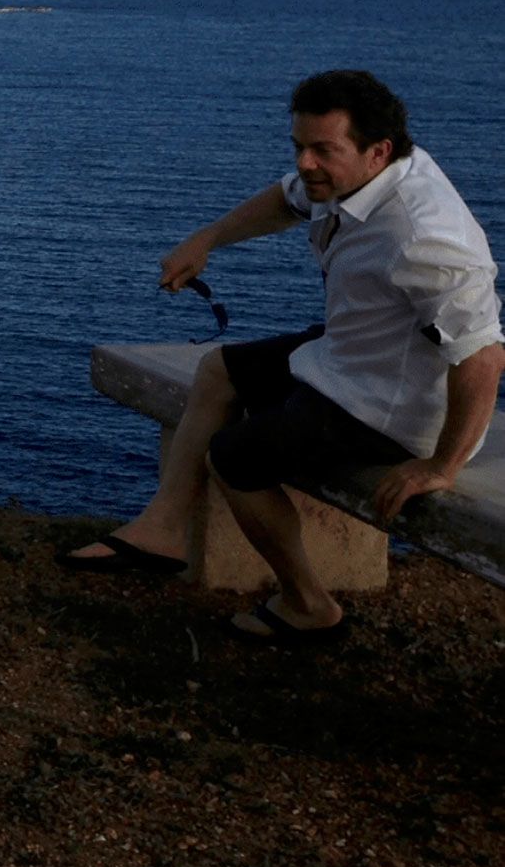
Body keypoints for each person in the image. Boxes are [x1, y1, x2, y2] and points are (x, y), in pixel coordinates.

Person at [60, 70, 503, 641]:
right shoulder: (352, 177)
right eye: (299, 147)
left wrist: (441, 466)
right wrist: (207, 239)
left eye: (323, 150)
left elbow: (484, 354)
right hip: (354, 354)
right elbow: (285, 201)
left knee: (237, 459)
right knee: (218, 370)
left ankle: (308, 605)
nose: (305, 164)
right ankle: (163, 530)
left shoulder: (428, 236)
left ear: (379, 151)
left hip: (392, 410)